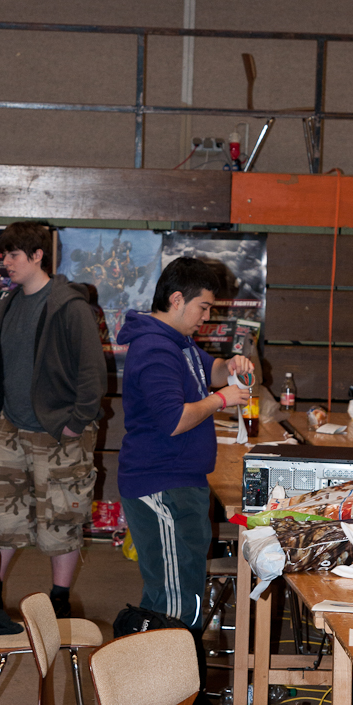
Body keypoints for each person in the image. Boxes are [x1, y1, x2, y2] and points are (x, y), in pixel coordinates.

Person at [117, 256, 254, 631]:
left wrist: (231, 366)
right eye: (203, 307)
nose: (206, 317)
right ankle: (173, 668)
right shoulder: (155, 349)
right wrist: (221, 400)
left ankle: (171, 667)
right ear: (177, 299)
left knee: (177, 595)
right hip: (161, 483)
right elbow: (174, 420)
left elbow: (211, 370)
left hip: (179, 481)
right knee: (175, 604)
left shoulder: (179, 343)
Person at [0, 222, 107, 618]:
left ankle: (59, 600)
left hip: (59, 434)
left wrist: (75, 422)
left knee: (61, 521)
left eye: (14, 255)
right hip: (11, 428)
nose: (6, 263)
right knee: (3, 520)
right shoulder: (6, 305)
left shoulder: (69, 306)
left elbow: (93, 373)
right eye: (4, 255)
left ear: (37, 256)